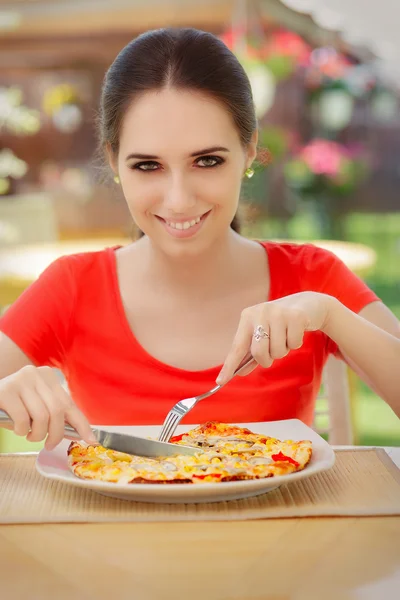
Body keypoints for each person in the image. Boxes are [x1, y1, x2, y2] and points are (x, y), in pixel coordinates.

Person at [0, 28, 399, 451]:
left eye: (206, 161)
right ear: (115, 161)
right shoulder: (74, 287)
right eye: (148, 166)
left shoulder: (311, 277)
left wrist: (331, 315)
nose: (178, 200)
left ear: (249, 150)